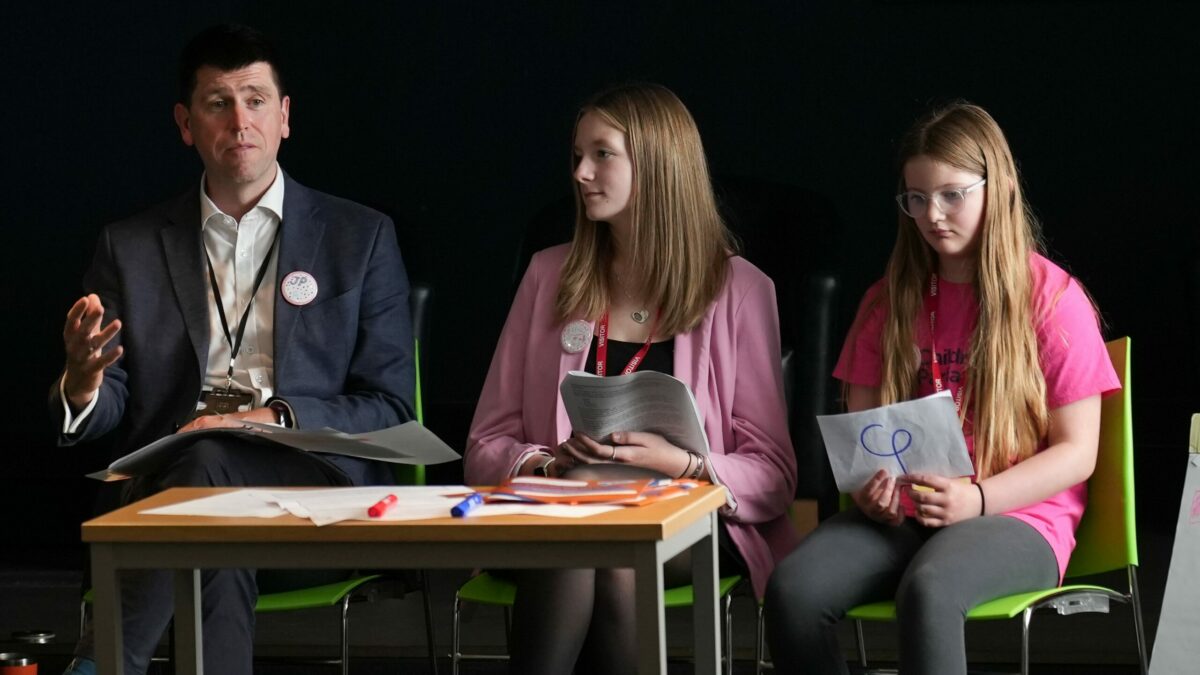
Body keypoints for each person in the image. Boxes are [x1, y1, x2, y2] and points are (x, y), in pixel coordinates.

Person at [52, 24, 414, 675]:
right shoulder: (129, 247)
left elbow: (389, 406)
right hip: (173, 486)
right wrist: (82, 385)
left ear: (284, 116)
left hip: (315, 492)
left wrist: (269, 417)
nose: (239, 120)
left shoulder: (358, 238)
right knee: (210, 483)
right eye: (218, 103)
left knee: (212, 459)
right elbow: (110, 409)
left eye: (254, 99)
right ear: (187, 124)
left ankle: (105, 661)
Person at [763, 102, 1120, 674]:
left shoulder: (1051, 300)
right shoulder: (887, 302)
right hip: (906, 514)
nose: (933, 214)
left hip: (1017, 515)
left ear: (997, 188)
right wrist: (873, 495)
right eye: (916, 198)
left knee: (928, 592)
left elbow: (1078, 453)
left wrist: (976, 499)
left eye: (952, 194)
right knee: (793, 590)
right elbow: (865, 440)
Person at [464, 82, 798, 675]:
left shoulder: (742, 290)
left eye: (602, 154)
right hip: (561, 512)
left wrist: (685, 464)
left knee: (612, 551)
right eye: (577, 157)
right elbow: (485, 444)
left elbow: (772, 476)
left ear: (658, 165)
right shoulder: (548, 275)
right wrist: (546, 463)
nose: (581, 173)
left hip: (687, 519)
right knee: (587, 543)